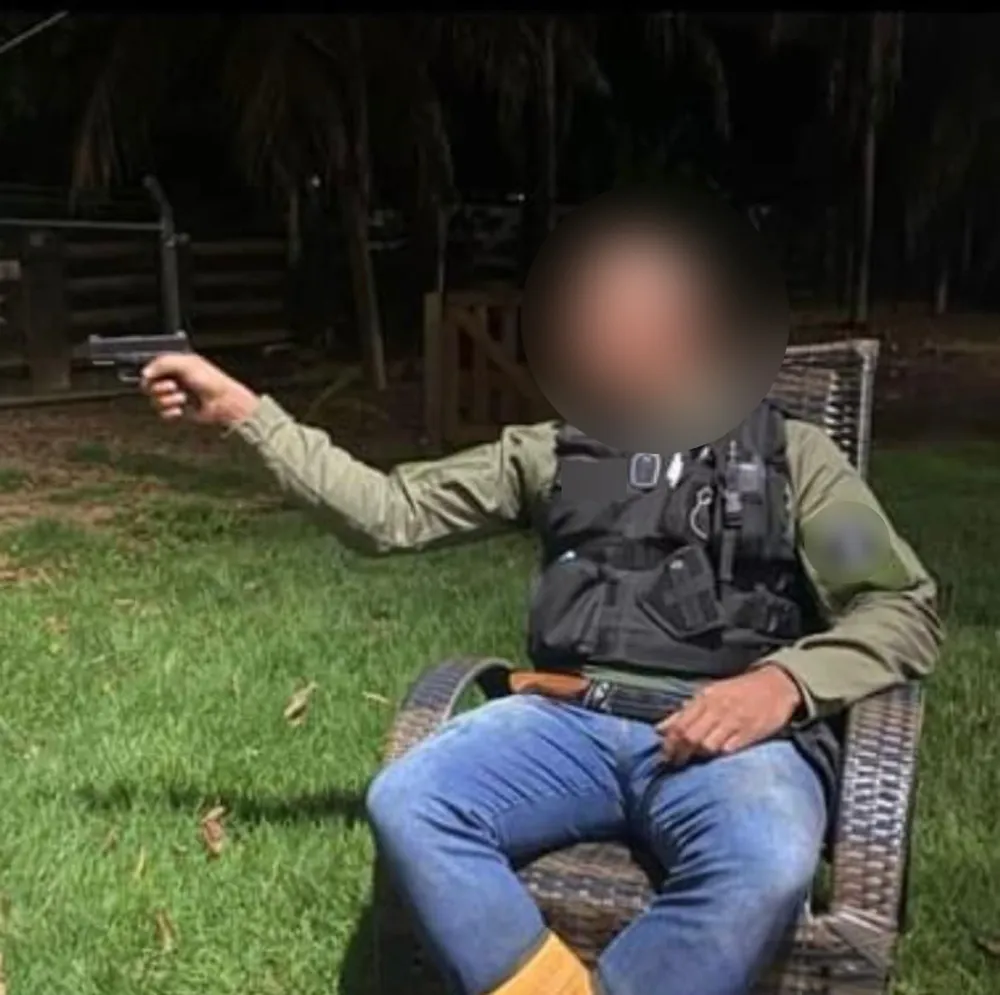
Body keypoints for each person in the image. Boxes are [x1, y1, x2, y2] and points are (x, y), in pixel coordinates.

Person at [141, 228, 941, 995]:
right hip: (567, 721)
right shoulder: (550, 450)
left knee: (765, 858)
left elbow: (900, 604)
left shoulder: (794, 458)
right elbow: (386, 512)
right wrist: (246, 413)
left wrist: (782, 685)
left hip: (733, 741)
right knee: (411, 799)